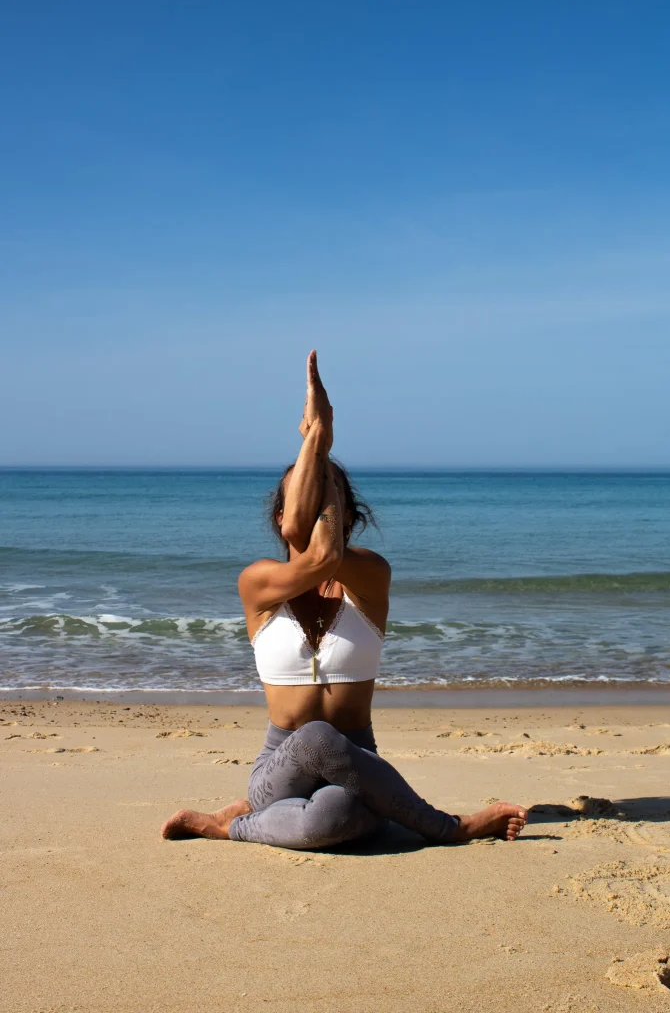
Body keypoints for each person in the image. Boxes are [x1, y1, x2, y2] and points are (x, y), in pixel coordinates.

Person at [161, 352, 527, 848]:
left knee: (332, 821)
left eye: (324, 501)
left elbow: (327, 556)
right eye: (301, 504)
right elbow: (315, 559)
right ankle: (449, 827)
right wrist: (320, 436)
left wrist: (317, 449)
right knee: (312, 736)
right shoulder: (258, 583)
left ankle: (235, 824)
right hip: (278, 768)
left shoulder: (371, 576)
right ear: (279, 519)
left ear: (346, 514)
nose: (310, 515)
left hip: (358, 763)